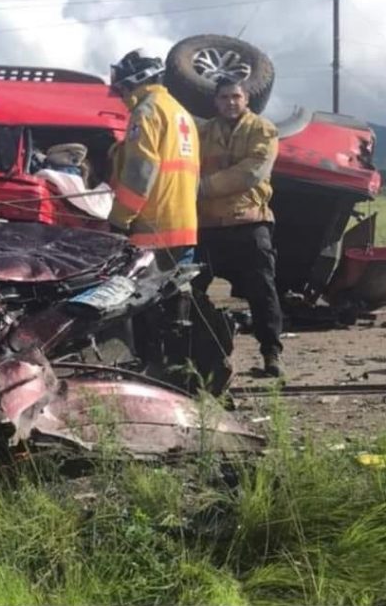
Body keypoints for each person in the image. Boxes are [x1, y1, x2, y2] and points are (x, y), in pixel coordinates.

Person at [196, 78, 285, 378]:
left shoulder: (262, 129)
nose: (230, 102)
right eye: (224, 97)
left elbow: (252, 172)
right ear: (215, 102)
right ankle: (196, 358)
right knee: (190, 292)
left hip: (249, 223)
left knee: (263, 291)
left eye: (236, 96)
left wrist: (202, 187)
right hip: (207, 226)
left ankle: (271, 354)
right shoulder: (203, 132)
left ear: (247, 99)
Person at [107, 49, 200, 260]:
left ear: (135, 80)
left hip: (154, 230)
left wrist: (119, 219)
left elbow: (140, 171)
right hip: (184, 228)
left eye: (122, 87)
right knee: (177, 292)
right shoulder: (181, 113)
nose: (121, 93)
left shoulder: (146, 112)